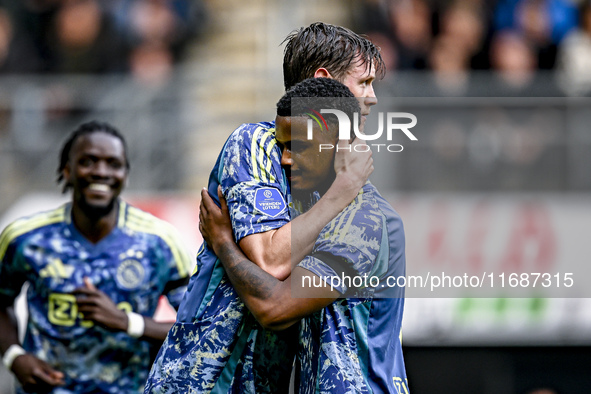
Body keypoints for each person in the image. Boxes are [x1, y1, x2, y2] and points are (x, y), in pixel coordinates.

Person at [144, 22, 384, 393]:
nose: (372, 98)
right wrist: (342, 193)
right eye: (364, 83)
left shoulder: (337, 177)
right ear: (325, 79)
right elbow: (271, 260)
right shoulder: (255, 143)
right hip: (199, 381)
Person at [199, 77, 408, 393]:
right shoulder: (318, 209)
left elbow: (275, 308)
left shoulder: (362, 221)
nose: (284, 159)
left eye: (299, 146)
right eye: (282, 145)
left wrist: (223, 242)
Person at [0, 120, 193, 393]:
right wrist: (14, 356)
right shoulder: (26, 238)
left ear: (125, 175)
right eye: (88, 161)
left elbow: (198, 327)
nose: (100, 172)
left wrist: (127, 322)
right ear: (67, 171)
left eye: (113, 164)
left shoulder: (160, 242)